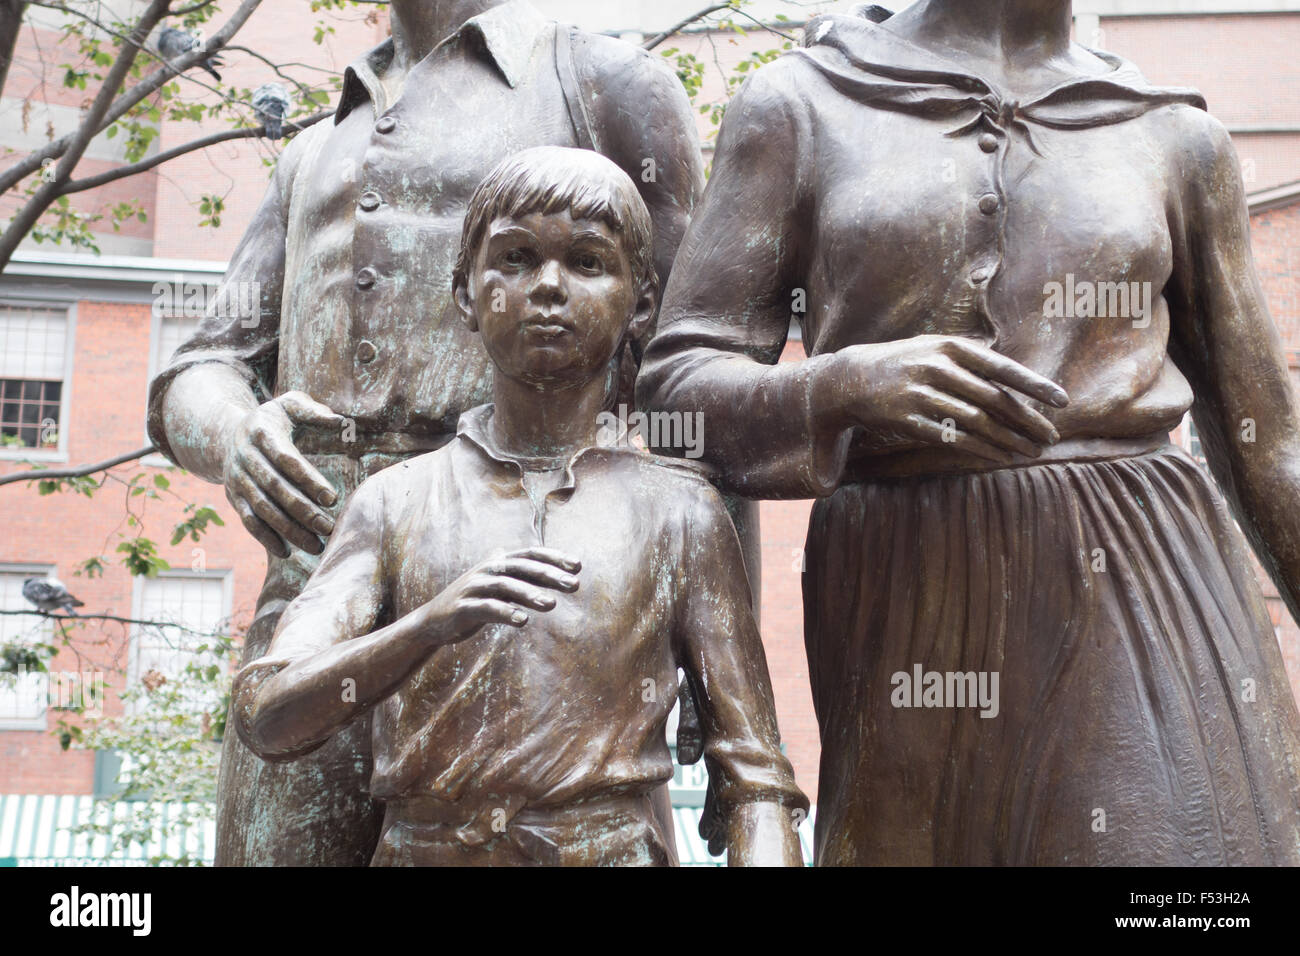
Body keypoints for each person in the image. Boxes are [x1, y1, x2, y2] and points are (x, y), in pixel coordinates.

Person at [638, 0, 1300, 865]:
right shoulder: (801, 105)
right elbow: (677, 391)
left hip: (1141, 586)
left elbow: (1269, 445)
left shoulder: (1172, 134)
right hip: (905, 593)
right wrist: (841, 386)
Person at [146, 0, 705, 865]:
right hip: (315, 589)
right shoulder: (311, 151)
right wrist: (235, 435)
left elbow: (688, 367)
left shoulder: (606, 82)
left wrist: (700, 648)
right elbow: (197, 366)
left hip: (533, 591)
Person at [230, 147, 807, 866]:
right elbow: (267, 714)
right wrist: (426, 628)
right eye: (517, 258)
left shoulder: (681, 514)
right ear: (467, 294)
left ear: (642, 304)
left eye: (589, 263)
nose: (549, 287)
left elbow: (757, 782)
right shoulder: (393, 503)